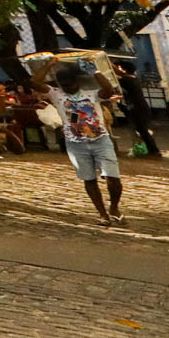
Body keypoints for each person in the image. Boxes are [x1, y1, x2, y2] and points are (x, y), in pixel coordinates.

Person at [49, 62, 126, 227]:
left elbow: (108, 90)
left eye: (70, 85)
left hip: (101, 140)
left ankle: (114, 207)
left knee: (113, 177)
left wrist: (96, 71)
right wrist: (49, 64)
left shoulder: (91, 93)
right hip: (76, 144)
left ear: (77, 81)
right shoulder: (56, 94)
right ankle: (102, 214)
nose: (67, 88)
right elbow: (34, 82)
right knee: (89, 179)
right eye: (64, 85)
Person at [115, 61, 162, 160]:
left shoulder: (125, 80)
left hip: (137, 109)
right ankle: (152, 150)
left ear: (124, 69)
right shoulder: (134, 78)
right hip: (141, 107)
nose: (117, 69)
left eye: (119, 67)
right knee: (142, 130)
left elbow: (115, 81)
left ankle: (154, 151)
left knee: (142, 131)